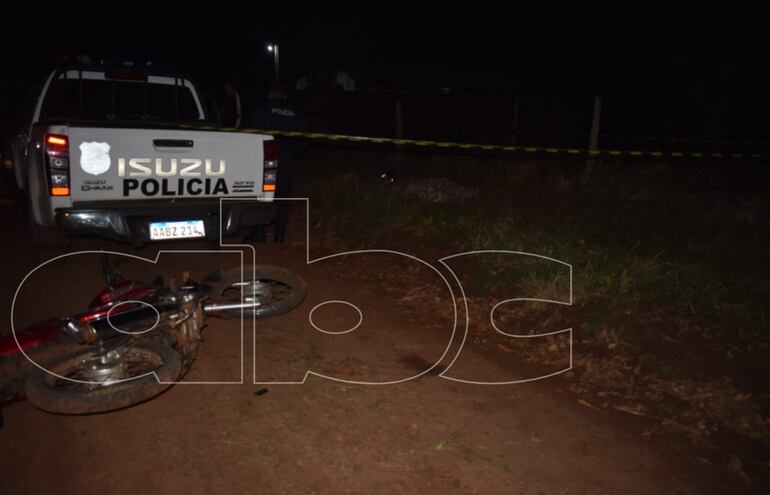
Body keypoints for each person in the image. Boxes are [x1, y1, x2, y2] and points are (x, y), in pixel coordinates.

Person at [248, 85, 306, 242]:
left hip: (267, 159)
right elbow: (302, 138)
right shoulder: (295, 112)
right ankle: (279, 234)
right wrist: (294, 155)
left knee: (264, 194)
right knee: (283, 196)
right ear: (284, 95)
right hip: (287, 160)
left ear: (270, 93)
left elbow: (253, 134)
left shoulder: (263, 109)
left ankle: (259, 233)